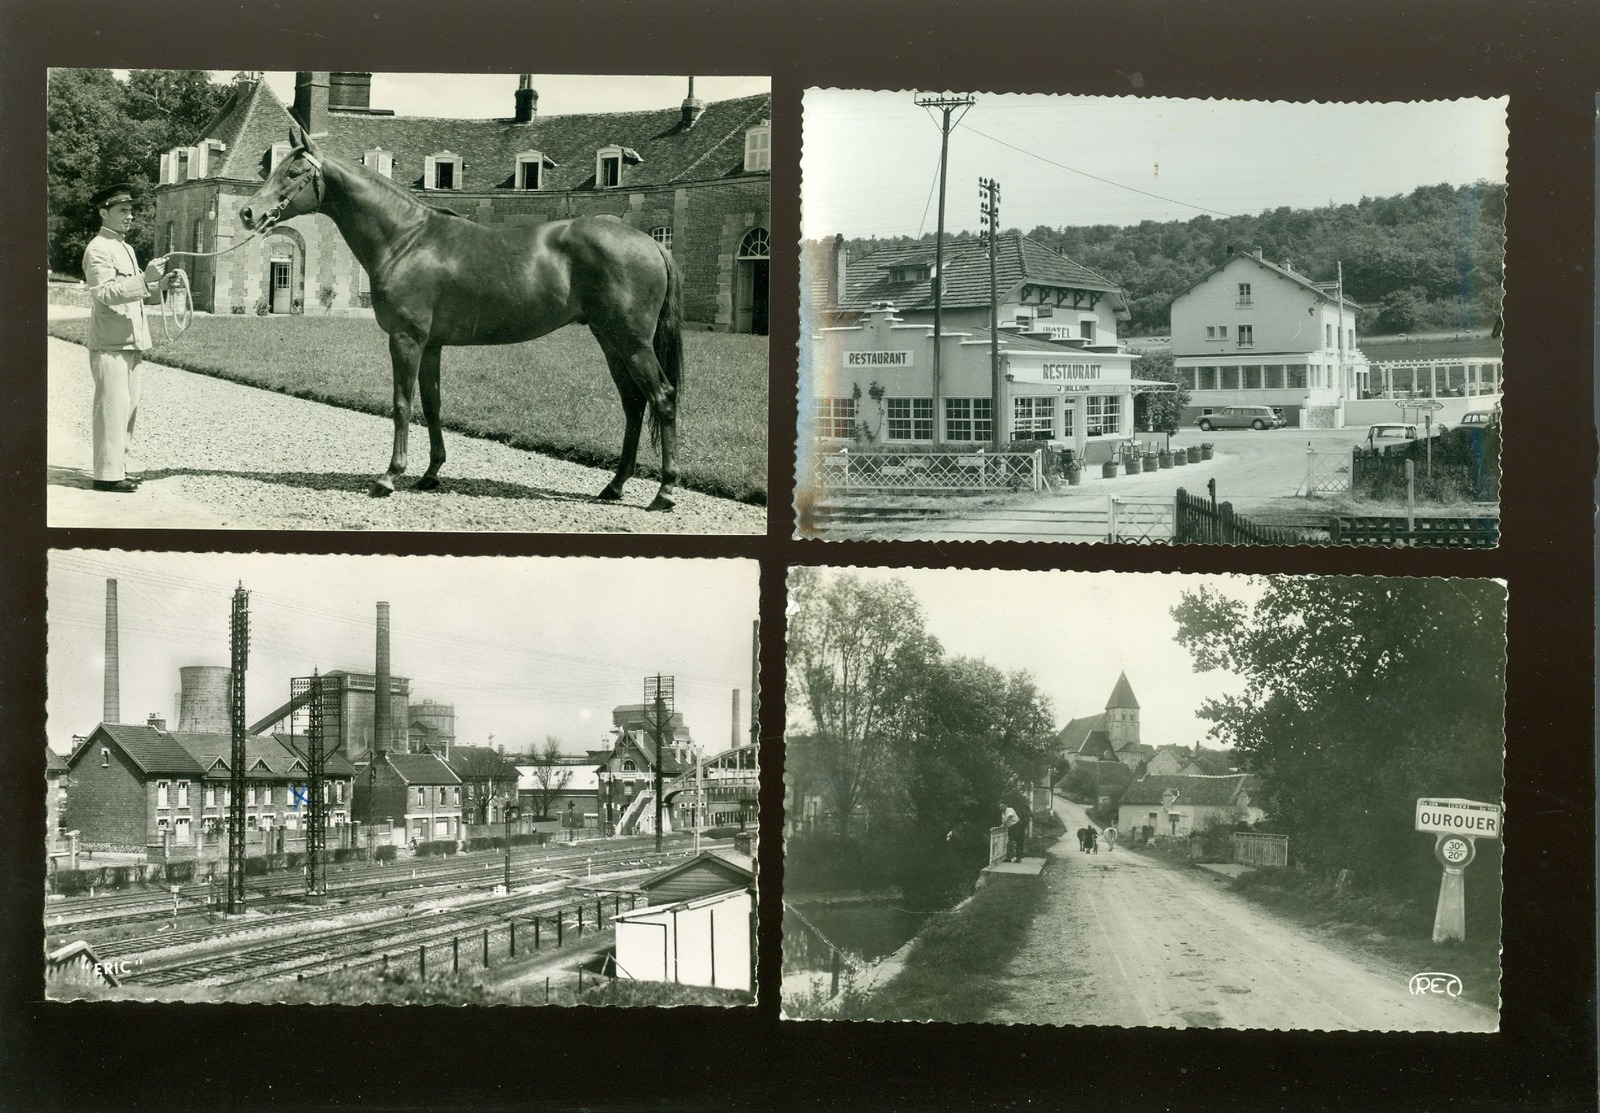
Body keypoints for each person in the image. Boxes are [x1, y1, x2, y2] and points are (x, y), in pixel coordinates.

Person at [81, 182, 166, 493]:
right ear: (105, 212)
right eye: (123, 210)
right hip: (110, 342)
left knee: (128, 408)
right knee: (111, 408)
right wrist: (145, 278)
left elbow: (137, 293)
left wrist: (160, 284)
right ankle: (105, 476)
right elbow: (105, 293)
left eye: (131, 210)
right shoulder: (97, 248)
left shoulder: (126, 248)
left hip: (132, 340)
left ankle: (118, 469)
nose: (130, 216)